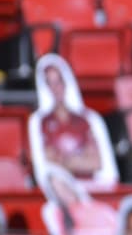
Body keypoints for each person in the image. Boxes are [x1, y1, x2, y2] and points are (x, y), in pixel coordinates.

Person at [27, 54, 119, 190]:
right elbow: (47, 165)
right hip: (60, 193)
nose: (55, 88)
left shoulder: (89, 119)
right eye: (50, 83)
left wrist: (65, 162)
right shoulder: (39, 122)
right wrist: (80, 160)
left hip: (93, 188)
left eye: (59, 81)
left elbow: (97, 162)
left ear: (66, 82)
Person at [37, 162, 121, 235]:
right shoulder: (58, 215)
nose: (63, 193)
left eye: (64, 187)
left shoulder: (102, 209)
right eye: (57, 190)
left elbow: (122, 234)